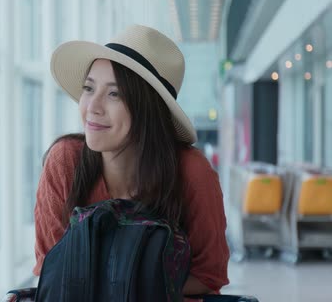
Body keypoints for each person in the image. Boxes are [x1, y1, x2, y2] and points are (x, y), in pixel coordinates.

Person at [33, 25, 229, 296]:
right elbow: (52, 272)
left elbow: (208, 276)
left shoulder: (192, 172)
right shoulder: (65, 162)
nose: (93, 107)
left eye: (115, 94)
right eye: (89, 88)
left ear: (149, 109)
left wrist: (125, 285)